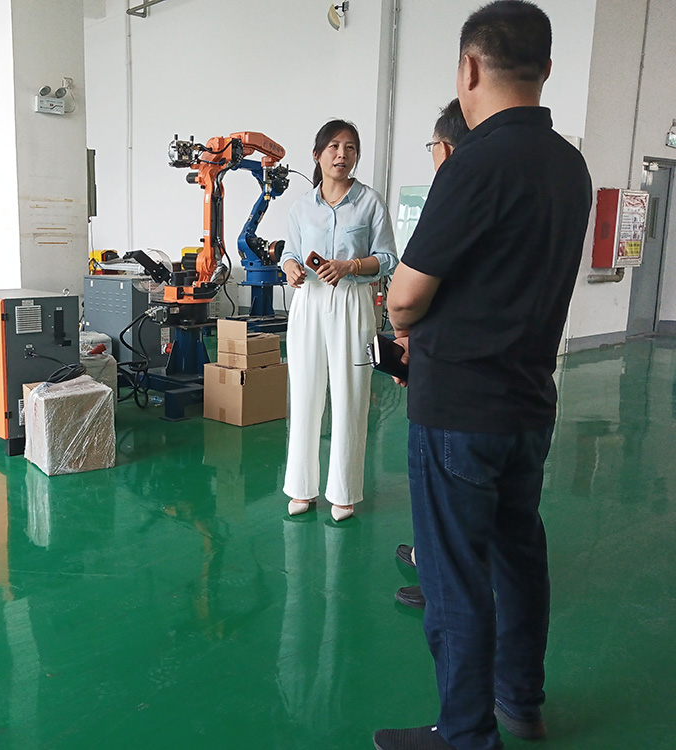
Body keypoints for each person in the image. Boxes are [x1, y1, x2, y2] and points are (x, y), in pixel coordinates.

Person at [373, 3, 592, 750]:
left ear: (469, 68)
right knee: (518, 556)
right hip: (529, 404)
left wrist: (404, 325)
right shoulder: (569, 165)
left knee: (454, 575)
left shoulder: (473, 164)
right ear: (546, 69)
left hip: (459, 410)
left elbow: (405, 294)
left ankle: (464, 734)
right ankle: (519, 701)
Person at [279, 119, 398, 522]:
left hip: (352, 300)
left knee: (350, 393)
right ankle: (301, 488)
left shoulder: (370, 203)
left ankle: (344, 492)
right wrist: (290, 267)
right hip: (308, 301)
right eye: (333, 146)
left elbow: (388, 258)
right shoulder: (301, 207)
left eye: (349, 148)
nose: (341, 155)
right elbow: (289, 252)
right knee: (304, 392)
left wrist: (350, 266)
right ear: (317, 155)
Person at [394, 98, 470, 611]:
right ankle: (432, 556)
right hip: (523, 384)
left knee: (443, 487)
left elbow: (405, 296)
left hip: (451, 378)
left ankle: (440, 579)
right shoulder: (560, 170)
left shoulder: (458, 191)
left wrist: (404, 333)